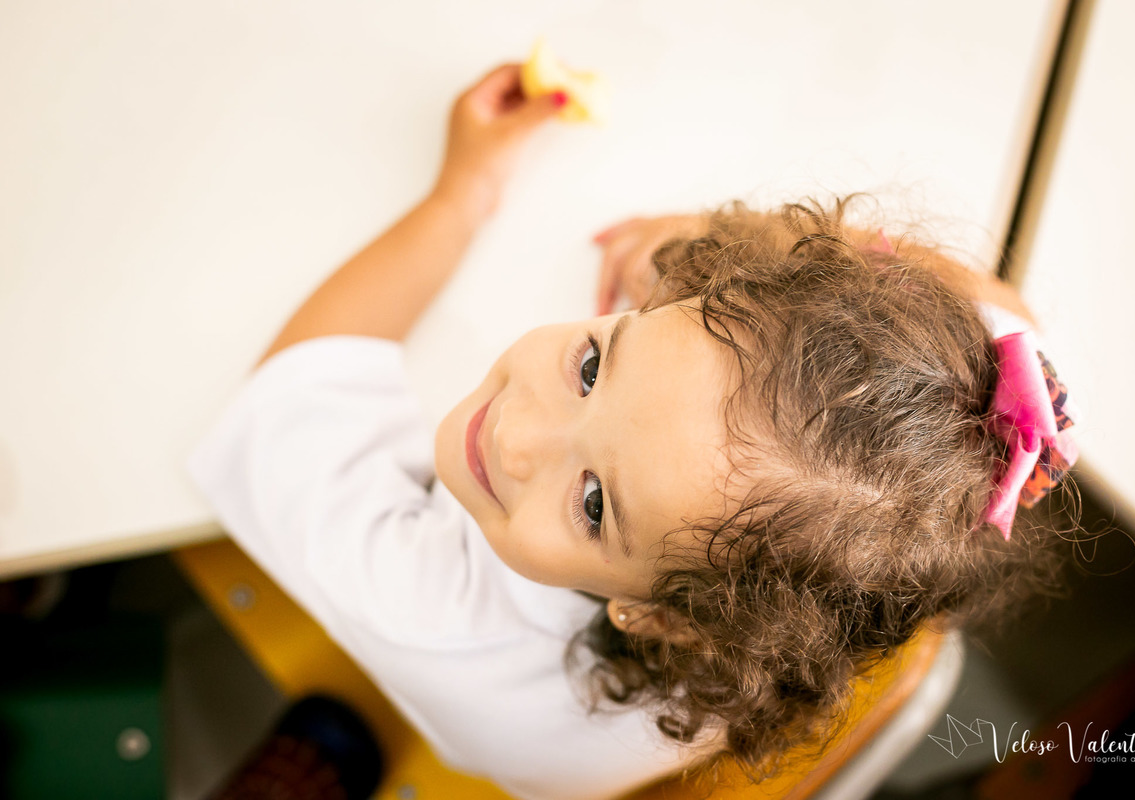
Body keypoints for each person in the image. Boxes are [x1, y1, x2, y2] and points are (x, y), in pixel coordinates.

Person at [188, 63, 1079, 800]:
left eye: (593, 501)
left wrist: (464, 193)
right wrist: (739, 251)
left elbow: (298, 381)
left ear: (657, 616)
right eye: (590, 368)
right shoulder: (918, 465)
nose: (516, 437)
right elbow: (1003, 315)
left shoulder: (436, 619)